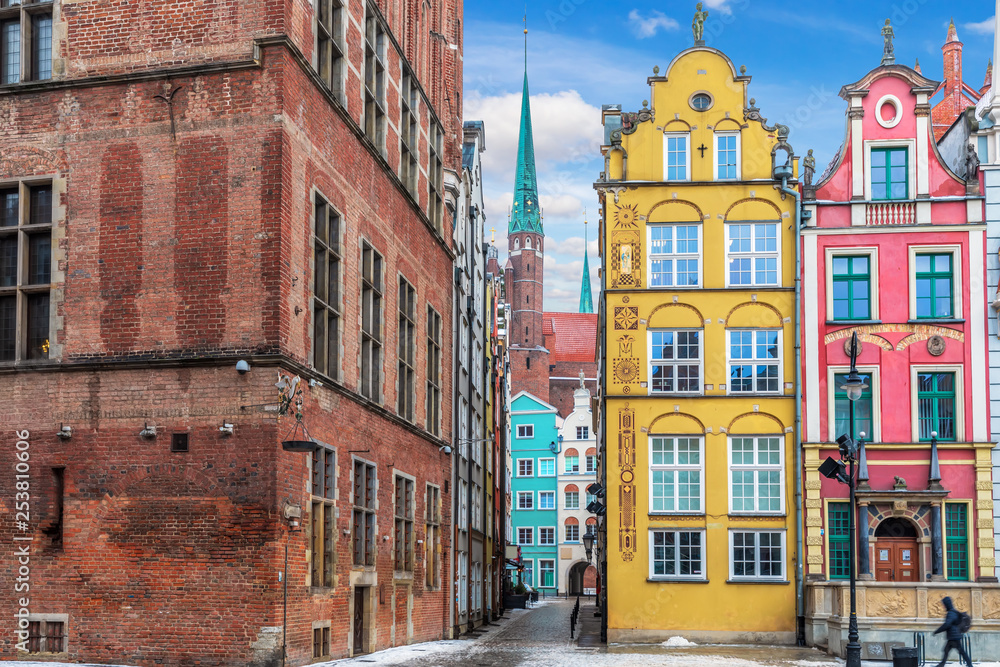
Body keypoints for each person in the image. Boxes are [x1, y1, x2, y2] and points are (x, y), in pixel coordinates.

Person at [933, 596, 973, 667]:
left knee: (960, 651)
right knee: (946, 650)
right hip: (954, 635)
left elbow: (947, 624)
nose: (943, 606)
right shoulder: (953, 612)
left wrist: (937, 631)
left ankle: (969, 664)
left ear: (947, 604)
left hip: (954, 636)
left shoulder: (951, 613)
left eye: (944, 604)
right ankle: (941, 664)